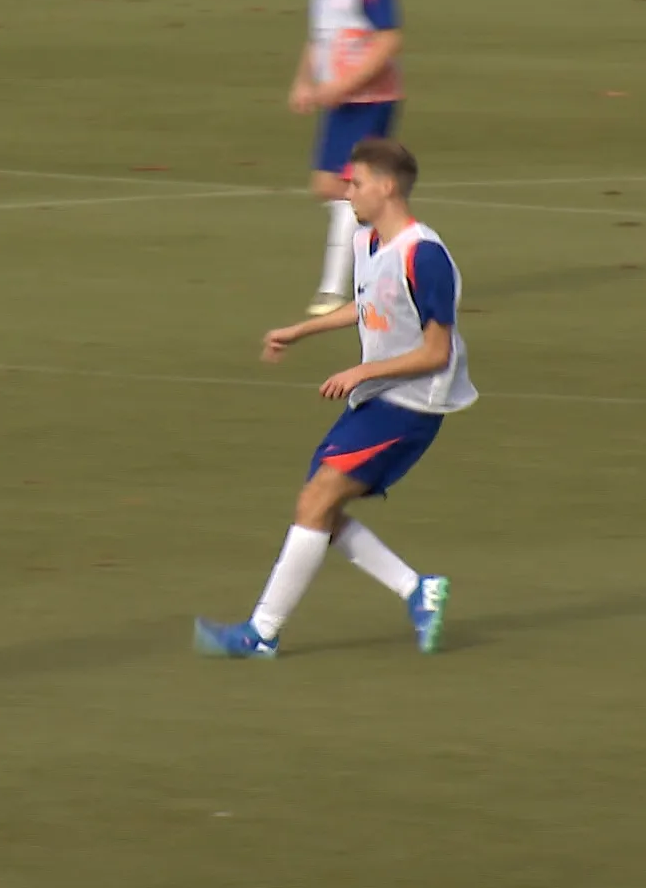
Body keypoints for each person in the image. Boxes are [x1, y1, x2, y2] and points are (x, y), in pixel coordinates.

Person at [197, 139, 474, 658]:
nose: (347, 192)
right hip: (380, 395)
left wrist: (363, 370)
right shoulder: (367, 241)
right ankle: (417, 590)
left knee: (317, 501)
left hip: (412, 404)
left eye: (357, 183)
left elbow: (437, 352)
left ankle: (261, 633)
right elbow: (369, 306)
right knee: (318, 505)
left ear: (386, 187)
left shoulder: (425, 255)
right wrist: (300, 331)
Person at [290, 0, 404, 317]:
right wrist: (304, 81)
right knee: (327, 187)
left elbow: (389, 40)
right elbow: (318, 37)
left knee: (347, 189)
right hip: (340, 101)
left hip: (371, 99)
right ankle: (394, 260)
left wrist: (343, 84)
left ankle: (334, 290)